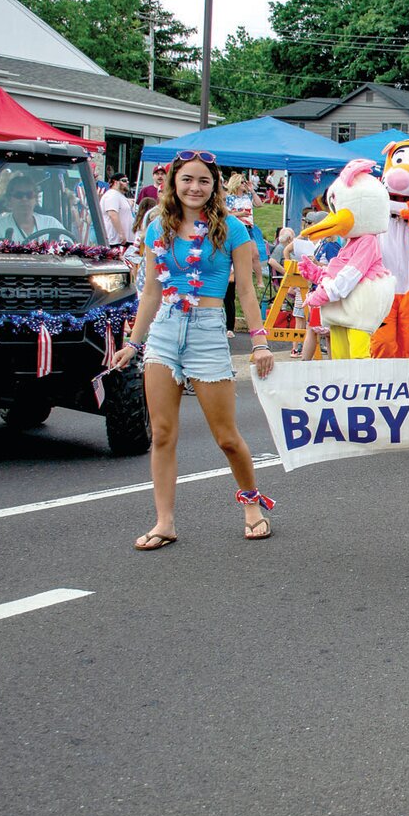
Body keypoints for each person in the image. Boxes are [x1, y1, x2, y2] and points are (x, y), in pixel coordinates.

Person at [108, 150, 275, 550]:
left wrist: (260, 341)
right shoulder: (156, 229)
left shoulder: (232, 229)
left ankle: (252, 504)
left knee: (226, 436)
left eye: (203, 180)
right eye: (187, 180)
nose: (195, 188)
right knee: (162, 433)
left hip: (207, 330)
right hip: (164, 329)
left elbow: (247, 291)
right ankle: (164, 521)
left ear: (214, 185)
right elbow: (150, 292)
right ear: (173, 184)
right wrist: (133, 342)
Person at [222, 173, 255, 336]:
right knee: (226, 293)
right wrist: (239, 215)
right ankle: (227, 326)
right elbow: (225, 215)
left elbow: (259, 204)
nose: (243, 184)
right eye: (241, 182)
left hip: (247, 230)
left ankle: (229, 326)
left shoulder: (248, 196)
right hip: (231, 234)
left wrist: (252, 190)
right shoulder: (229, 199)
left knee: (254, 256)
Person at [100, 172, 136, 246]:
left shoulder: (119, 195)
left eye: (127, 181)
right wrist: (121, 234)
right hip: (115, 240)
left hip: (123, 240)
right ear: (115, 182)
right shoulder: (112, 195)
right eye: (124, 180)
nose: (127, 183)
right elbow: (112, 214)